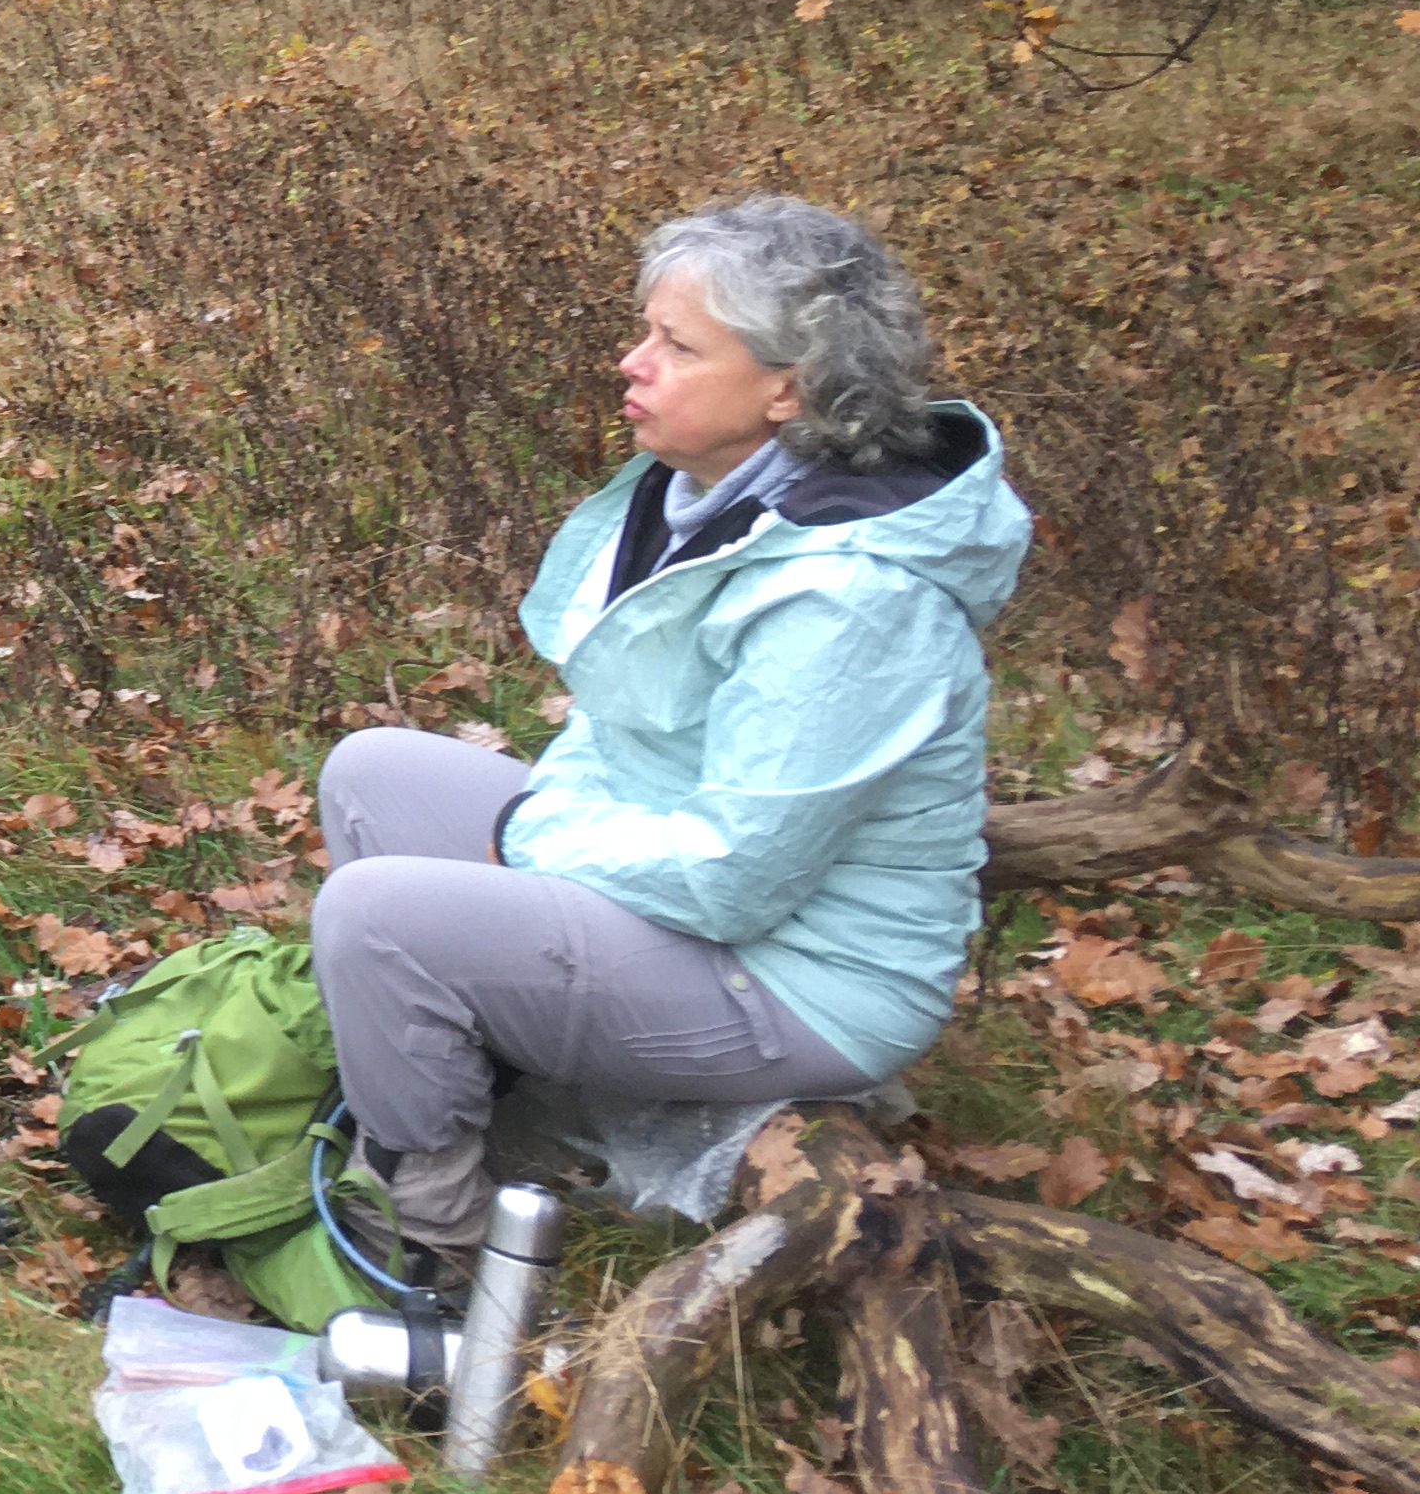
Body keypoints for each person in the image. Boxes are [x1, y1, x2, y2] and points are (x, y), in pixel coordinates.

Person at [310, 195, 1030, 1266]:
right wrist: (548, 830)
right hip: (694, 888)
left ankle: (432, 1242)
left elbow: (734, 879)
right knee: (372, 776)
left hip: (805, 979)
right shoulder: (712, 501)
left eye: (678, 346)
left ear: (788, 388)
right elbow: (620, 722)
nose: (632, 363)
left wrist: (529, 838)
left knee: (377, 919)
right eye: (646, 331)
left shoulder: (851, 596)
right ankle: (482, 1091)